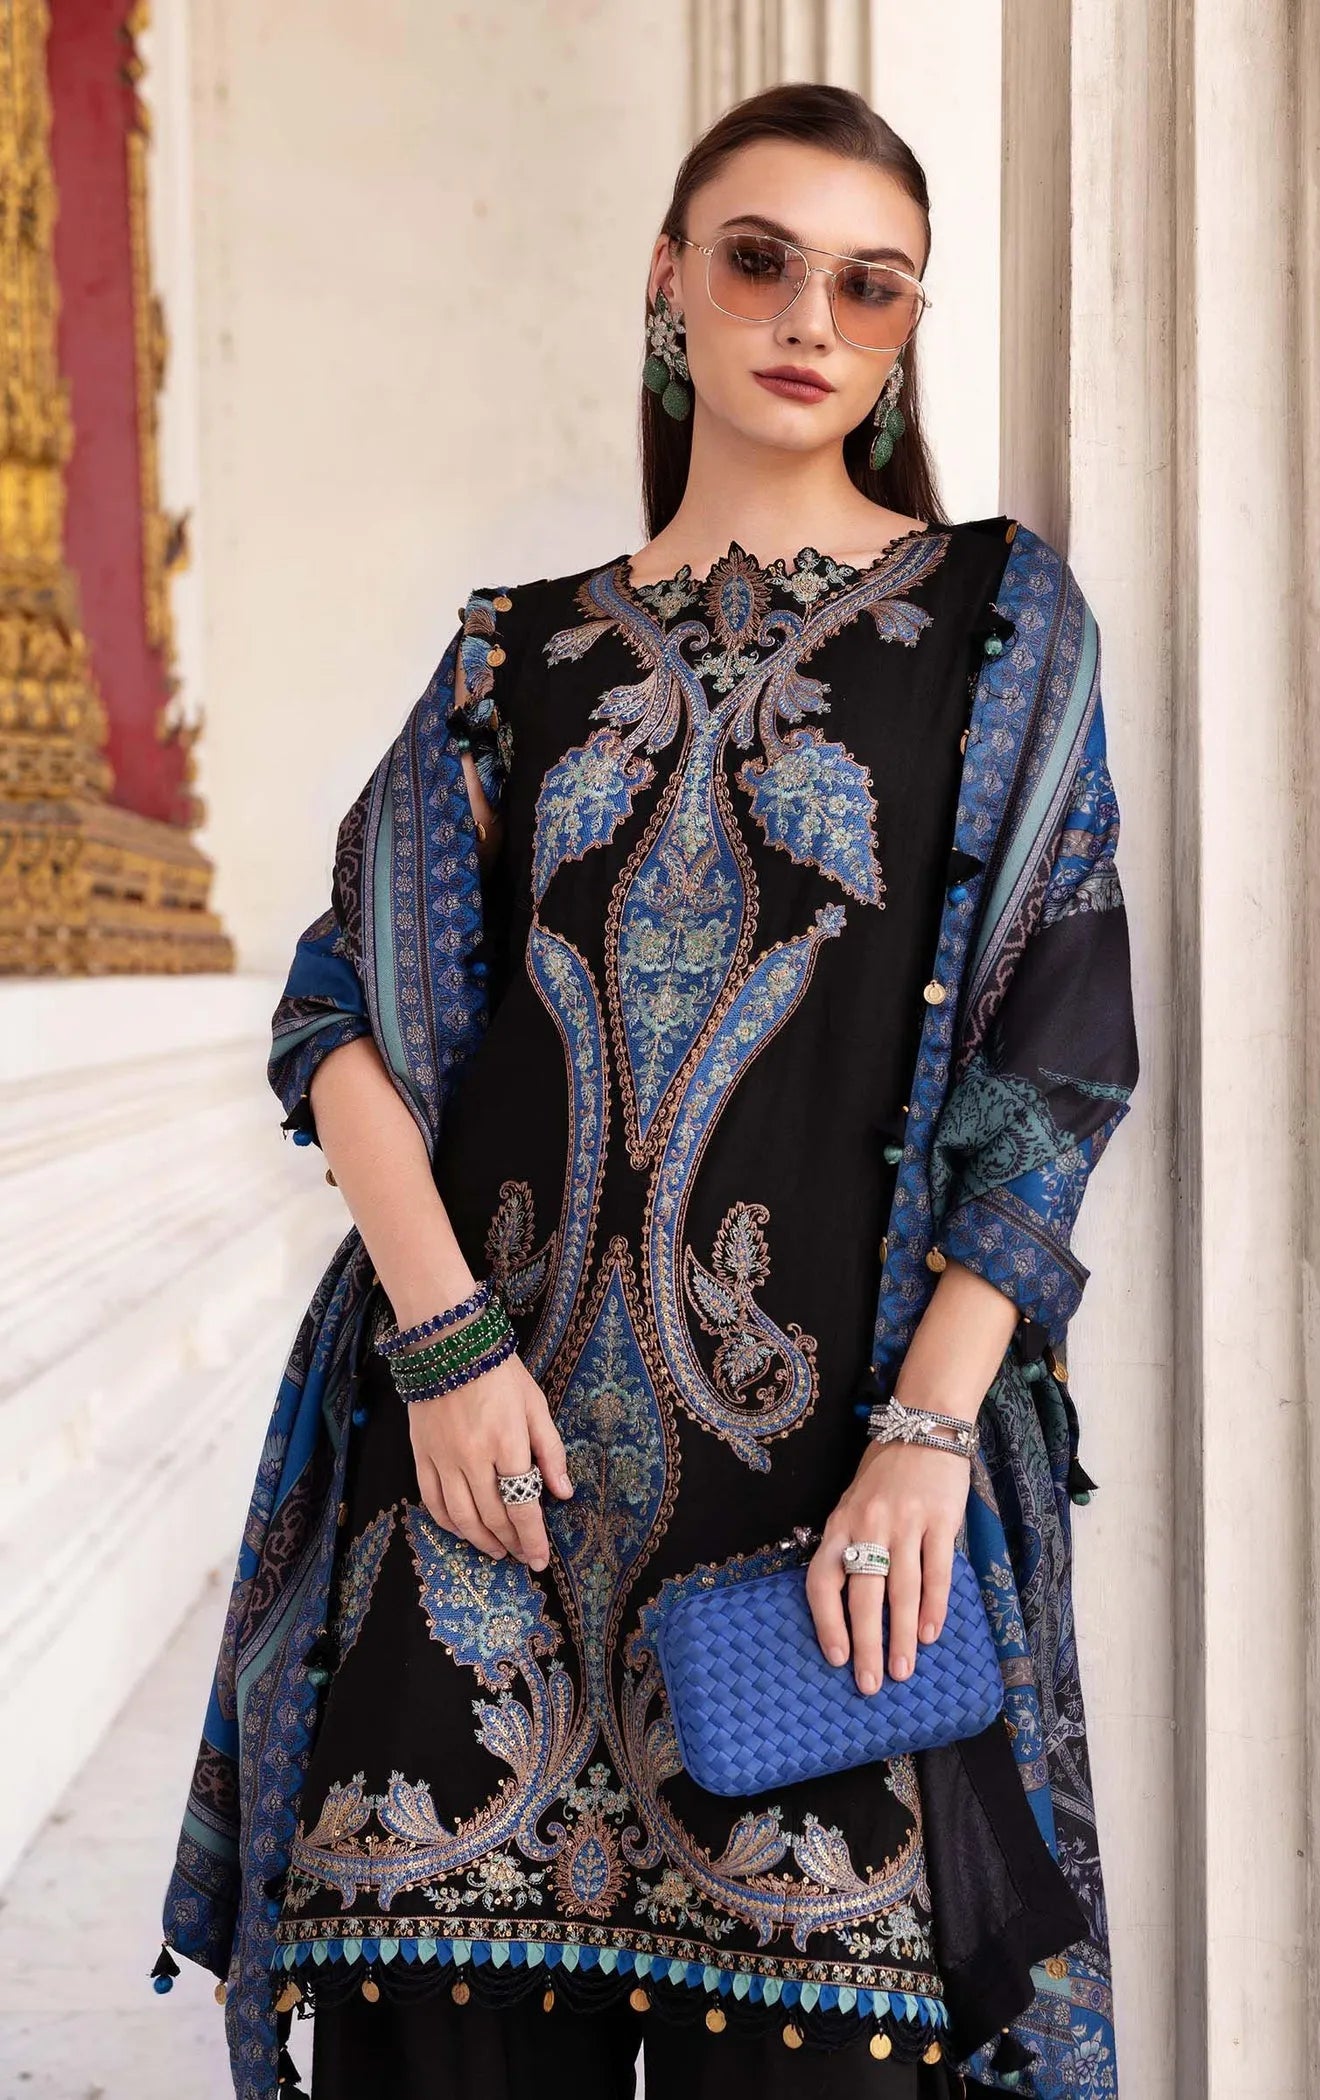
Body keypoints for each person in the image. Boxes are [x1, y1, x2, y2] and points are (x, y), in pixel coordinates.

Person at [157, 82, 1138, 2100]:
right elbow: (336, 1017)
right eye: (761, 259)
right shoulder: (512, 663)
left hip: (829, 1521)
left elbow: (1056, 1067)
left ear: (905, 332)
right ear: (669, 281)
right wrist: (443, 1347)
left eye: (872, 286)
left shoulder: (998, 628)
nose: (811, 318)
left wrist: (928, 1435)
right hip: (482, 1503)